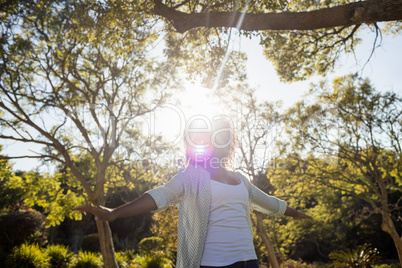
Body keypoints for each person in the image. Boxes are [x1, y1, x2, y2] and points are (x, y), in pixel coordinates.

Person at [75, 116, 312, 268]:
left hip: (248, 261)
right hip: (212, 263)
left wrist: (297, 214)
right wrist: (115, 212)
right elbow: (161, 195)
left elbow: (270, 203)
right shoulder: (191, 176)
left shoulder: (241, 180)